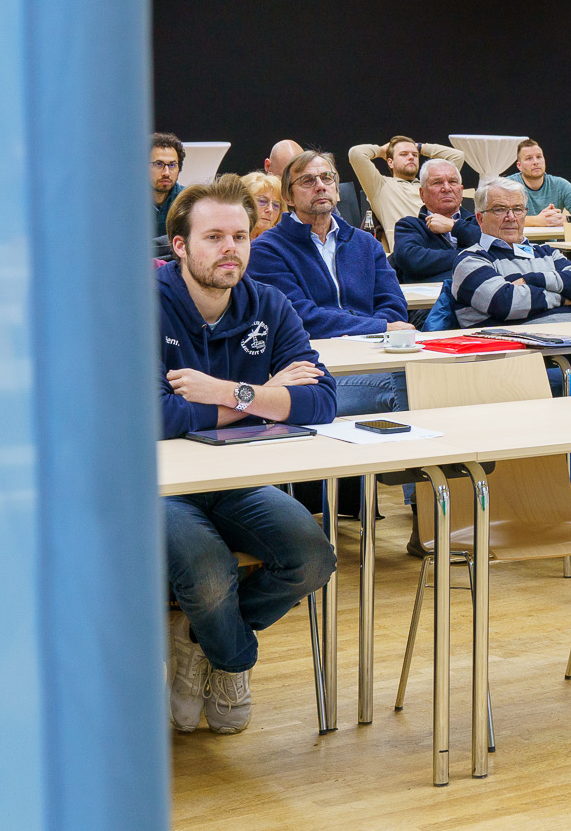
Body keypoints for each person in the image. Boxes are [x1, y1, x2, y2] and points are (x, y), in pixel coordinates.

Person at [159, 175, 337, 736]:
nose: (230, 249)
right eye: (213, 237)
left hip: (236, 478)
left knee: (313, 557)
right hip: (157, 486)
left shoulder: (269, 304)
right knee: (208, 572)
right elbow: (151, 416)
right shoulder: (138, 305)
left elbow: (322, 401)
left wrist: (225, 393)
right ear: (181, 245)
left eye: (239, 236)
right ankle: (233, 660)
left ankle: (200, 640)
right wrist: (262, 399)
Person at [247, 150, 413, 416]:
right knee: (408, 384)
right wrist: (378, 327)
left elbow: (394, 306)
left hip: (375, 358)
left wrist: (367, 332)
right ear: (288, 197)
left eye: (327, 178)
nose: (320, 186)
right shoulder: (267, 249)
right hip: (315, 372)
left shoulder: (366, 243)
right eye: (307, 181)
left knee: (431, 376)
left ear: (336, 188)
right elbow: (301, 318)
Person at [450, 177, 571, 333]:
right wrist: (564, 298)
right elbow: (506, 303)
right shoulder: (471, 260)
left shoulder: (546, 252)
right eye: (499, 209)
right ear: (480, 219)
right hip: (516, 346)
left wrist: (530, 280)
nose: (511, 217)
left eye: (518, 209)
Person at [347, 136, 466, 247]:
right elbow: (356, 154)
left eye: (415, 155)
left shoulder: (432, 185)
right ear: (390, 162)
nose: (411, 157)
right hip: (410, 250)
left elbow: (458, 156)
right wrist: (382, 150)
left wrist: (420, 147)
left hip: (448, 244)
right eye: (403, 154)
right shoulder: (380, 186)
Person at [388, 158, 480, 284]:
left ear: (461, 190)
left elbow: (495, 247)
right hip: (429, 296)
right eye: (437, 183)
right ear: (422, 194)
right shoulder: (409, 226)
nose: (446, 188)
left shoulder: (479, 222)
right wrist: (473, 257)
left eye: (452, 182)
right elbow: (413, 261)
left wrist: (455, 226)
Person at [515, 138, 571, 226]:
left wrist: (564, 219)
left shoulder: (560, 184)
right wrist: (537, 220)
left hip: (551, 235)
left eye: (539, 157)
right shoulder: (509, 185)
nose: (535, 162)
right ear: (519, 166)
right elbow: (503, 218)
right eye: (529, 158)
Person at [151, 132, 185, 240]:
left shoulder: (188, 200)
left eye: (172, 165)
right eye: (158, 164)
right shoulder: (128, 202)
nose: (166, 172)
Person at [239, 171, 284, 237]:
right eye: (262, 201)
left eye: (276, 205)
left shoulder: (281, 241)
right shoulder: (228, 238)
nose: (270, 210)